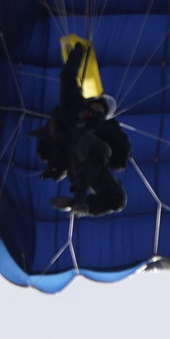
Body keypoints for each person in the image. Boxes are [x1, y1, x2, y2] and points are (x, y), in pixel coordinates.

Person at [32, 42, 131, 217]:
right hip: (73, 147)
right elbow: (68, 77)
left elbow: (120, 158)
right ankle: (79, 196)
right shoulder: (74, 109)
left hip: (85, 166)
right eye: (97, 106)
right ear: (90, 103)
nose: (98, 111)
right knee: (96, 147)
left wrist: (111, 135)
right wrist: (79, 51)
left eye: (103, 111)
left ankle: (78, 205)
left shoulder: (107, 128)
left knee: (118, 199)